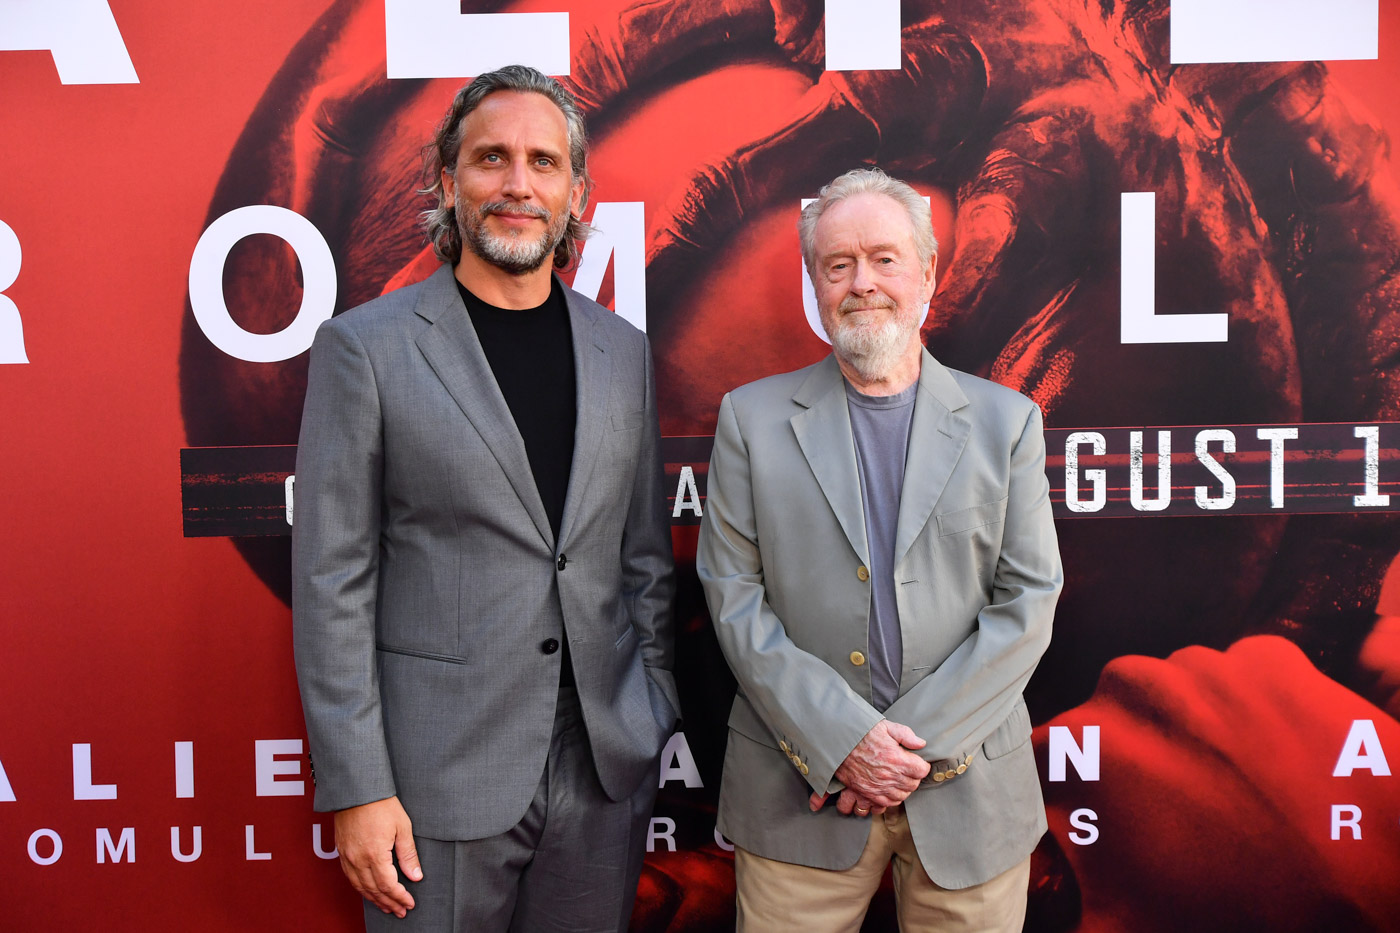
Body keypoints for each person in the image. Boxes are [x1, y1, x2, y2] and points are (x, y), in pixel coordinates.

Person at [292, 64, 678, 932]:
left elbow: (641, 556)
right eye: (491, 157)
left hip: (601, 773)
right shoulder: (367, 349)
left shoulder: (622, 352)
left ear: (577, 191)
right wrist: (360, 785)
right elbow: (331, 583)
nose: (517, 184)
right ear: (447, 179)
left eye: (543, 163)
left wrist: (647, 708)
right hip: (436, 779)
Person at [696, 167, 1062, 932]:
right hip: (798, 798)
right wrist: (845, 741)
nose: (863, 282)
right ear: (815, 280)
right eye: (839, 264)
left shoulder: (1009, 424)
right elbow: (734, 598)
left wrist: (898, 754)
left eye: (885, 258)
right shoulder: (750, 421)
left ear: (927, 271)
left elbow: (1027, 603)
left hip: (968, 805)